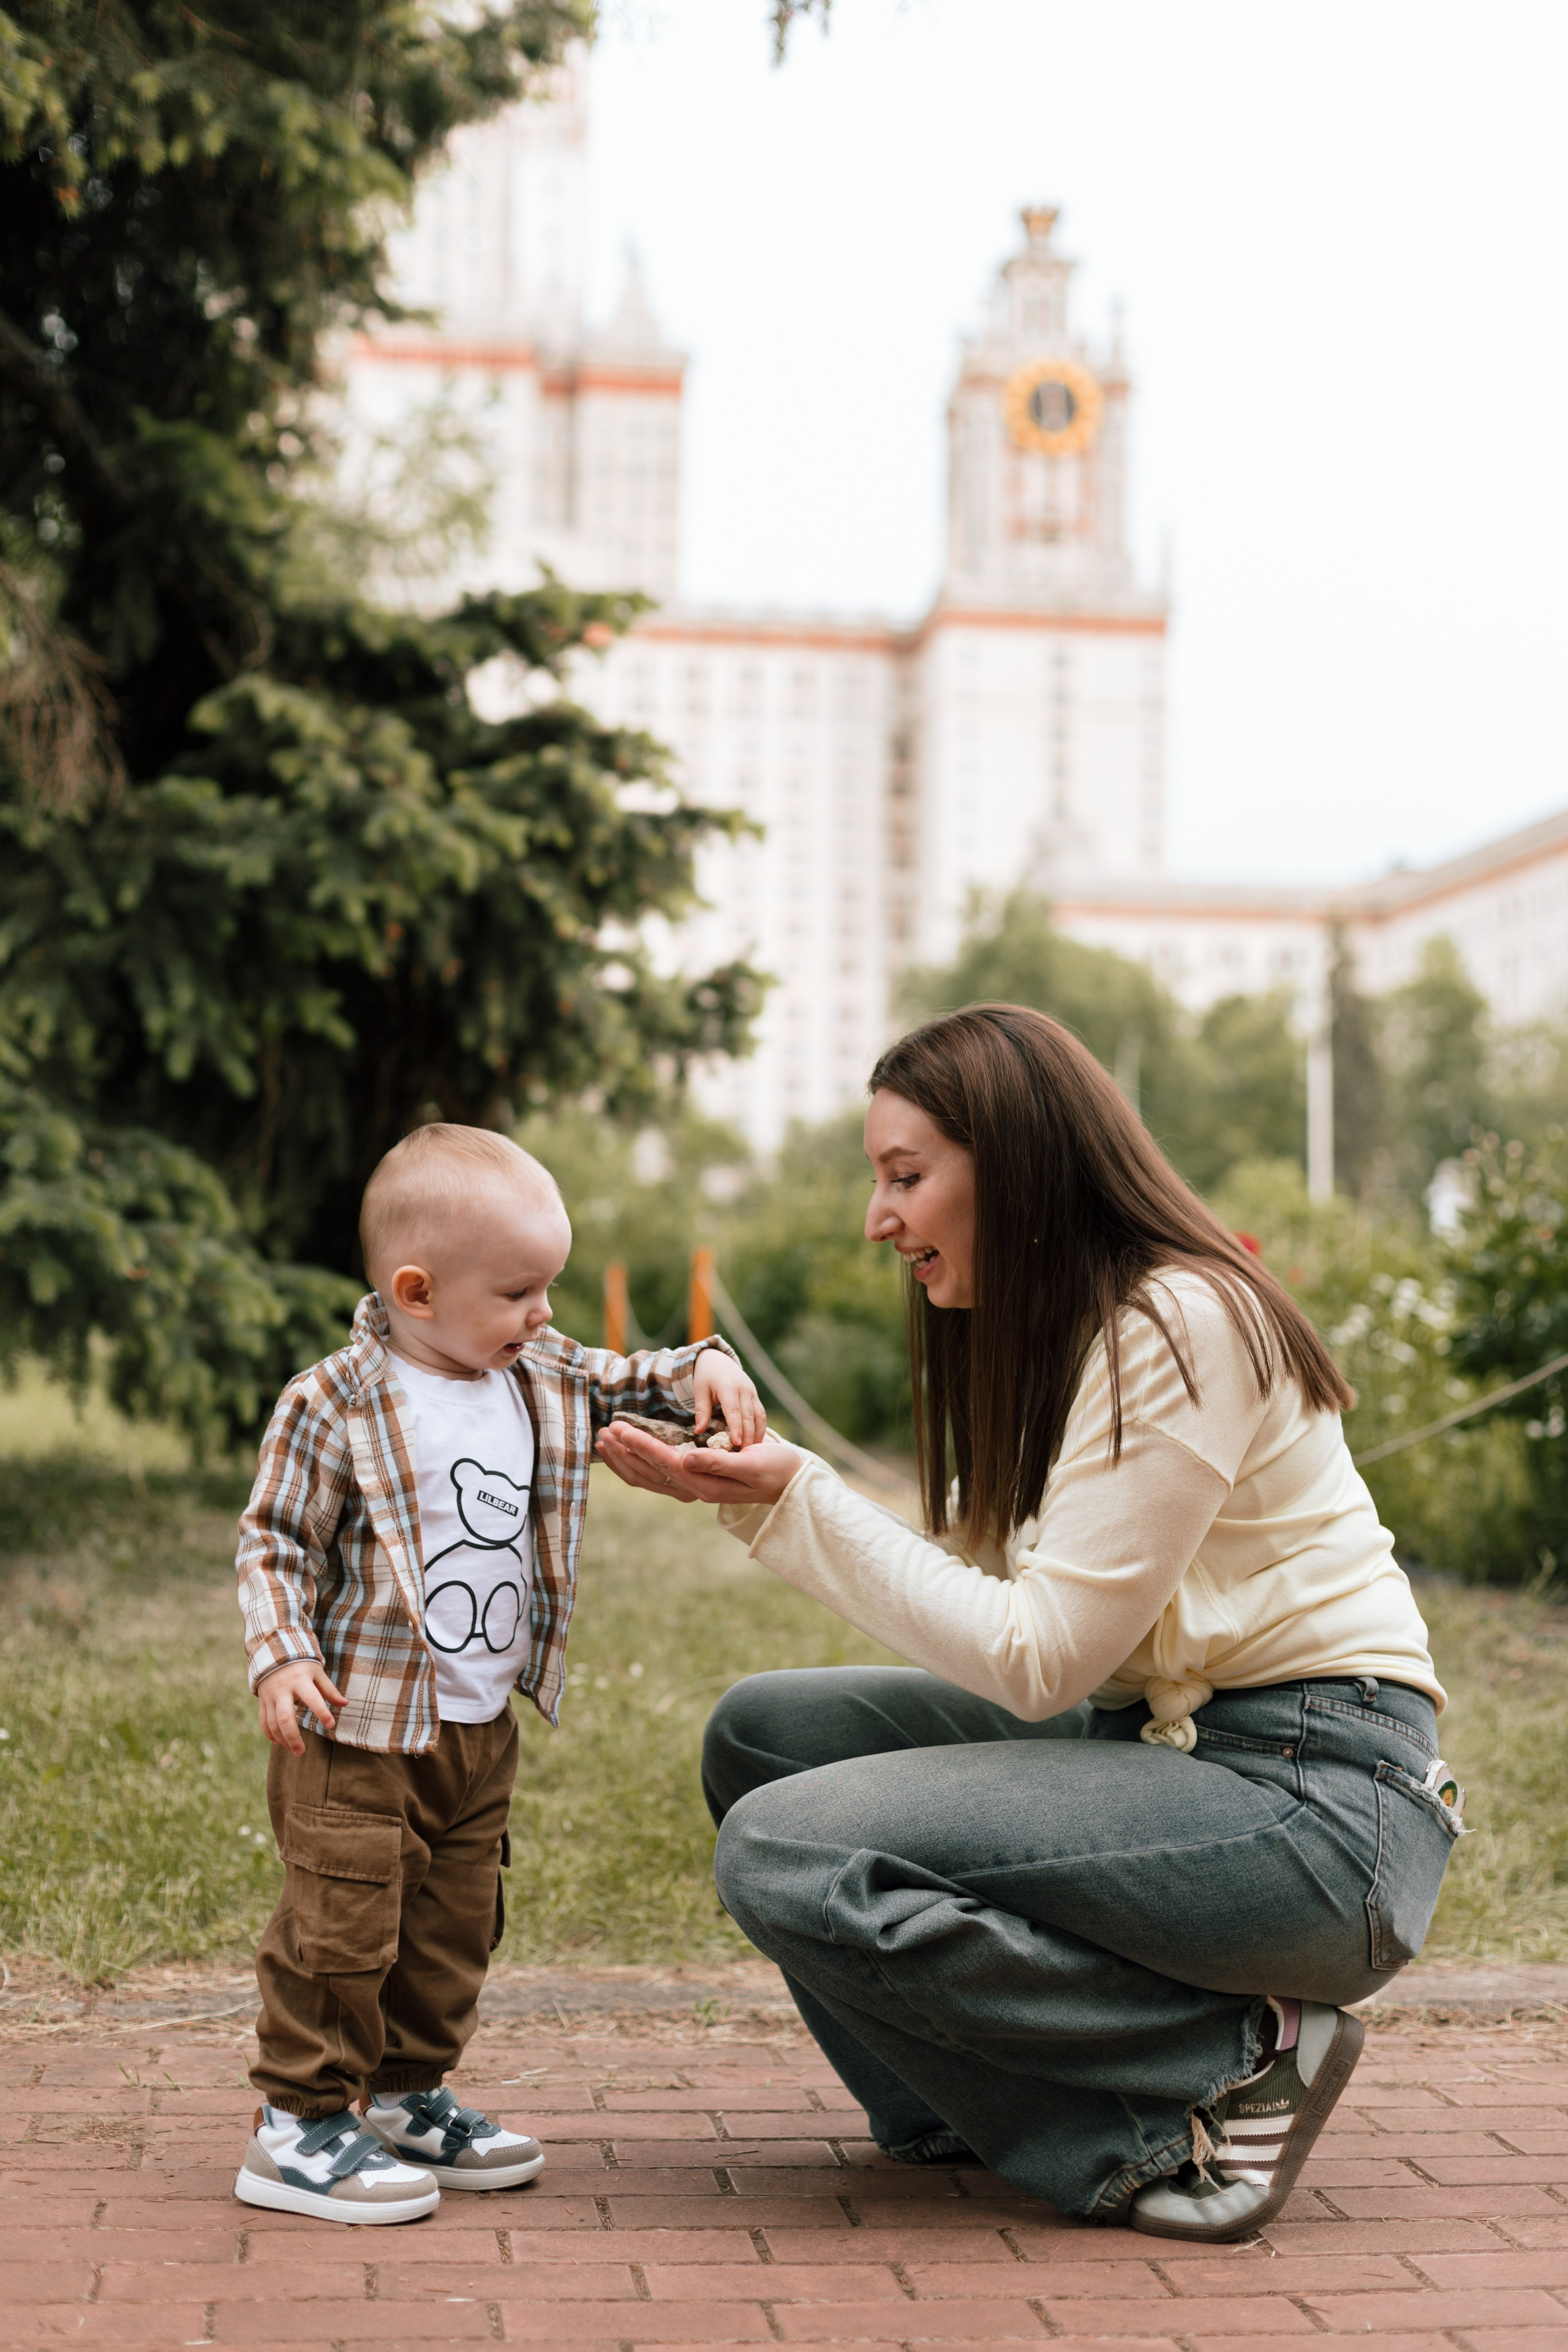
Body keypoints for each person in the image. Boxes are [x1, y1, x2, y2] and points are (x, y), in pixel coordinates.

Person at [595, 1006, 1461, 2244]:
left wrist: (798, 1500)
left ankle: (1215, 2069)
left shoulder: (1182, 1320)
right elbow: (1037, 1646)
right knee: (764, 1740)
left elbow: (1041, 1658)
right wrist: (766, 1495)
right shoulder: (1081, 1332)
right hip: (1176, 1751)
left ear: (1015, 1166)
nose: (876, 1218)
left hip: (1319, 1812)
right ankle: (971, 2103)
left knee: (784, 1849)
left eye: (905, 1177)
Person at [233, 1122, 766, 2225]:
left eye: (551, 1288)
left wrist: (704, 1360)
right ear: (417, 1291)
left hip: (476, 1730)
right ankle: (297, 2123)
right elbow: (275, 1541)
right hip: (360, 1729)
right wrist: (281, 1656)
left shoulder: (535, 1374)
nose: (546, 1314)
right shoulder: (334, 1399)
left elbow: (632, 1379)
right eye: (521, 1291)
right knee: (343, 1926)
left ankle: (406, 2092)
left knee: (454, 1926)